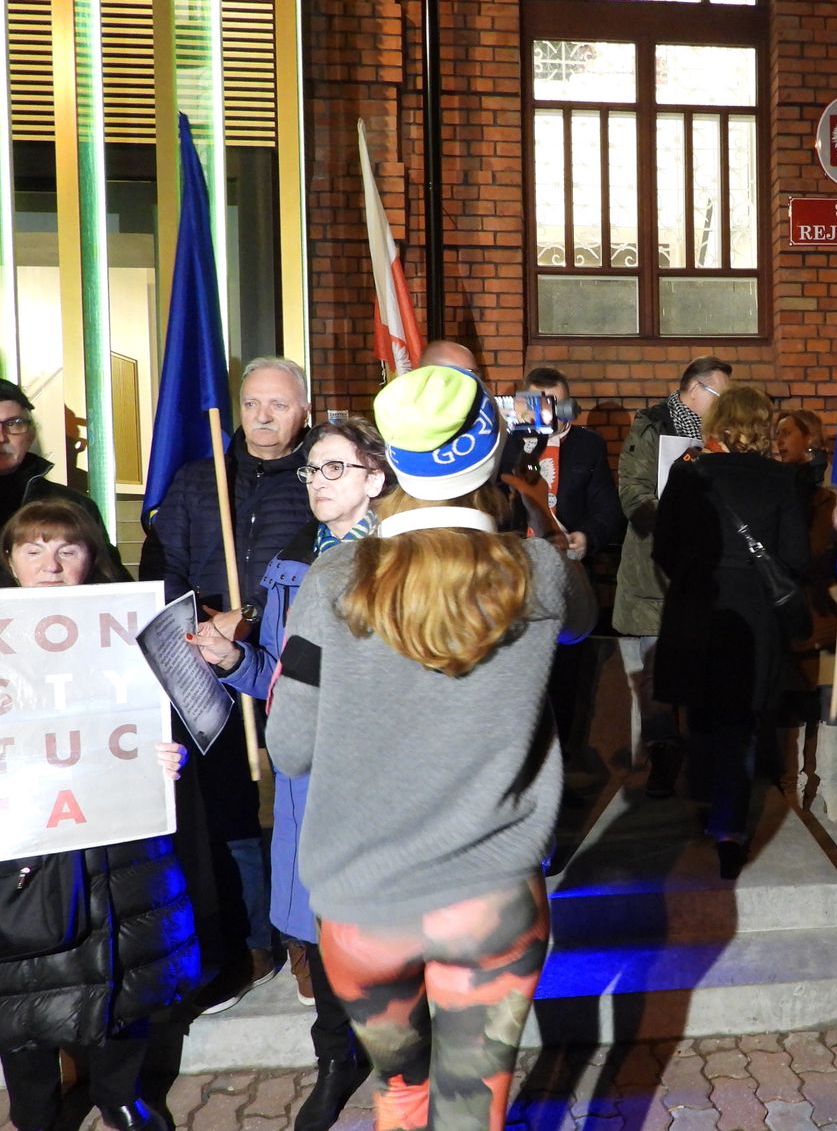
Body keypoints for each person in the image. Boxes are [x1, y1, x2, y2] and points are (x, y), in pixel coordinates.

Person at [266, 364, 595, 1131]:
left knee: (403, 1090)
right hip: (489, 899)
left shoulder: (333, 577)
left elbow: (290, 748)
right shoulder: (540, 571)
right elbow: (581, 625)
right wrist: (535, 514)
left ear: (393, 467)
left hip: (363, 909)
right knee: (469, 1106)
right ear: (492, 460)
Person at [0, 499, 198, 1131]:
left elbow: (173, 716)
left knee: (125, 979)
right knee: (21, 991)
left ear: (90, 559)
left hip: (119, 851)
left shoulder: (129, 635)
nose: (51, 565)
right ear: (11, 561)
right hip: (16, 858)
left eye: (67, 549)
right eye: (34, 549)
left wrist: (171, 751)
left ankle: (119, 1094)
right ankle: (34, 1111)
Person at [190, 418, 390, 1130]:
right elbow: (278, 680)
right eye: (311, 470)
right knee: (324, 922)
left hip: (385, 773)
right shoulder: (290, 564)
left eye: (336, 468)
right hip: (311, 773)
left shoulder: (405, 557)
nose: (317, 482)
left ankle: (406, 1052)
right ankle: (336, 1058)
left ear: (376, 478)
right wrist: (232, 662)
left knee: (390, 921)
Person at [141, 355, 313, 1008]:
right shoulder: (195, 480)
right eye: (252, 404)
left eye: (279, 404)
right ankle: (250, 940)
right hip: (203, 663)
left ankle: (304, 937)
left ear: (303, 409)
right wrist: (201, 623)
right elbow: (164, 566)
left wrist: (249, 619)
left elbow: (324, 568)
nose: (263, 417)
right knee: (228, 807)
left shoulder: (317, 479)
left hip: (290, 664)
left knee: (297, 802)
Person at [651, 384, 809, 879]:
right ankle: (729, 832)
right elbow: (795, 559)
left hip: (696, 608)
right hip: (752, 617)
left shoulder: (688, 473)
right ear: (763, 426)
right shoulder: (781, 480)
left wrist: (695, 577)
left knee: (700, 714)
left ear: (718, 421)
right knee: (740, 724)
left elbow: (663, 548)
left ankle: (704, 808)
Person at [613, 356, 733, 794]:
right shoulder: (650, 427)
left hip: (707, 569)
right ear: (695, 389)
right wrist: (673, 524)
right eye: (721, 395)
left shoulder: (722, 434)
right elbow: (634, 494)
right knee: (654, 673)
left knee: (703, 667)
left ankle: (704, 759)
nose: (725, 404)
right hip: (655, 570)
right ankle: (663, 754)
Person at [0, 374, 117, 631]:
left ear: (31, 432)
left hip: (57, 644)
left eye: (14, 423)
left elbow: (112, 585)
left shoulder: (73, 506)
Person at [522, 366, 625, 761]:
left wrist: (588, 536)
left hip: (566, 575)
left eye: (558, 404)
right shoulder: (510, 445)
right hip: (516, 575)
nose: (550, 413)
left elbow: (608, 510)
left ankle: (562, 761)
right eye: (541, 405)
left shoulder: (587, 446)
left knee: (565, 677)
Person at [771, 409, 837, 822]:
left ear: (809, 439)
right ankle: (791, 783)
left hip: (825, 610)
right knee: (792, 701)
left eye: (786, 433)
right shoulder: (773, 489)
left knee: (832, 703)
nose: (778, 441)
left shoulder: (830, 499)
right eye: (776, 433)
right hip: (788, 610)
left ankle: (831, 784)